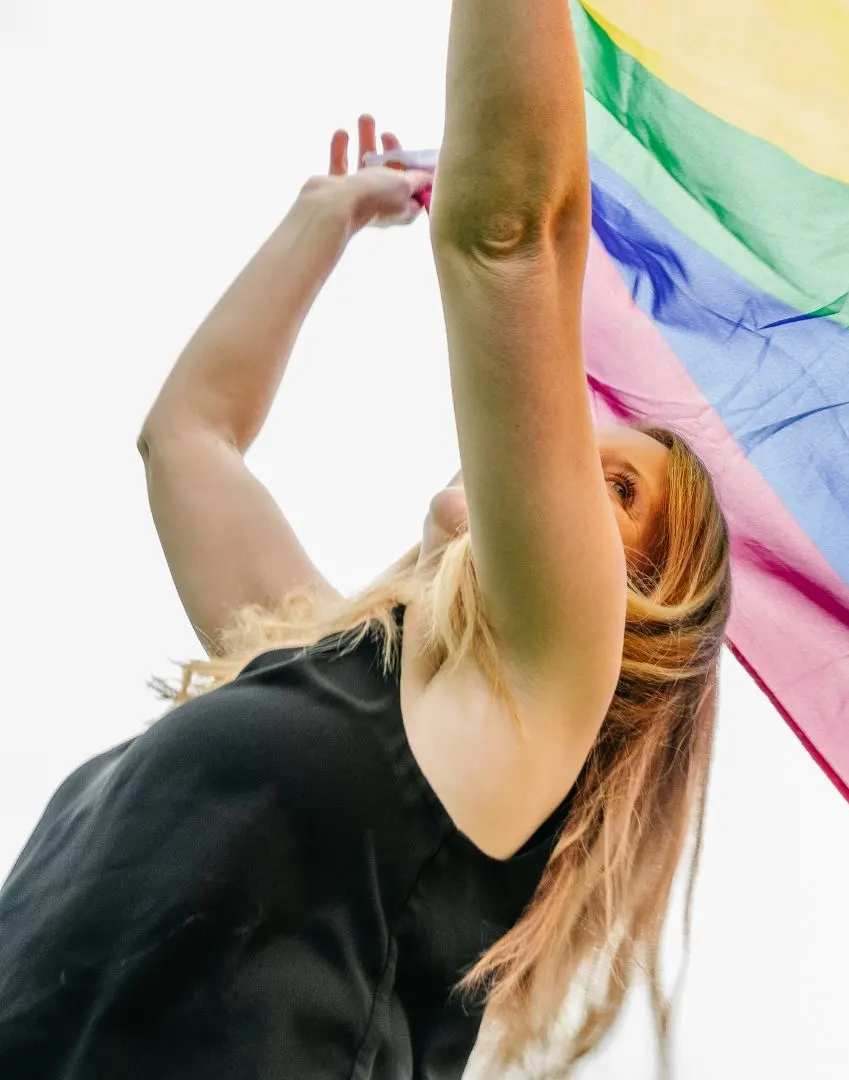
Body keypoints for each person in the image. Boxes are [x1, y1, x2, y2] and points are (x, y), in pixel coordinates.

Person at [0, 0, 732, 1075]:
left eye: (611, 487)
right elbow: (189, 440)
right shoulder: (317, 661)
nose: (560, 462)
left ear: (640, 609)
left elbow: (511, 234)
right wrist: (325, 213)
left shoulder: (526, 702)